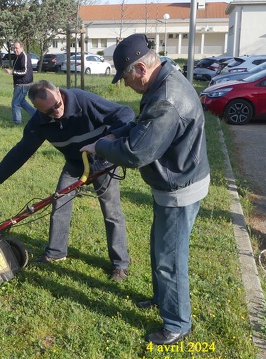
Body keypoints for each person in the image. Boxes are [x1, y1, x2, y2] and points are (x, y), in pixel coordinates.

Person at [80, 34, 210, 345]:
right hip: (178, 181)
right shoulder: (163, 80)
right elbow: (142, 126)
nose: (125, 85)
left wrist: (102, 145)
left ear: (140, 68)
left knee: (169, 258)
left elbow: (137, 153)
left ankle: (177, 323)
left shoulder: (166, 99)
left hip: (179, 188)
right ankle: (164, 298)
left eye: (125, 78)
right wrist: (111, 135)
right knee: (160, 248)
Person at [0, 80, 133, 281]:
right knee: (60, 203)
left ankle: (120, 264)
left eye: (57, 106)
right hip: (75, 163)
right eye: (49, 112)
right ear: (38, 109)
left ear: (58, 92)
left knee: (111, 211)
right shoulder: (39, 123)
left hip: (102, 160)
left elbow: (125, 113)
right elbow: (20, 152)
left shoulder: (83, 101)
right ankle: (56, 252)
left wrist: (109, 139)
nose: (56, 112)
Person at [3, 40, 36, 125]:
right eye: (14, 48)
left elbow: (24, 71)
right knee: (21, 102)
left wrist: (12, 72)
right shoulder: (19, 56)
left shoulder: (24, 56)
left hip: (23, 84)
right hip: (21, 83)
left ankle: (17, 122)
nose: (15, 50)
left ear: (22, 48)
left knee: (15, 103)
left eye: (16, 48)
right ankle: (37, 116)